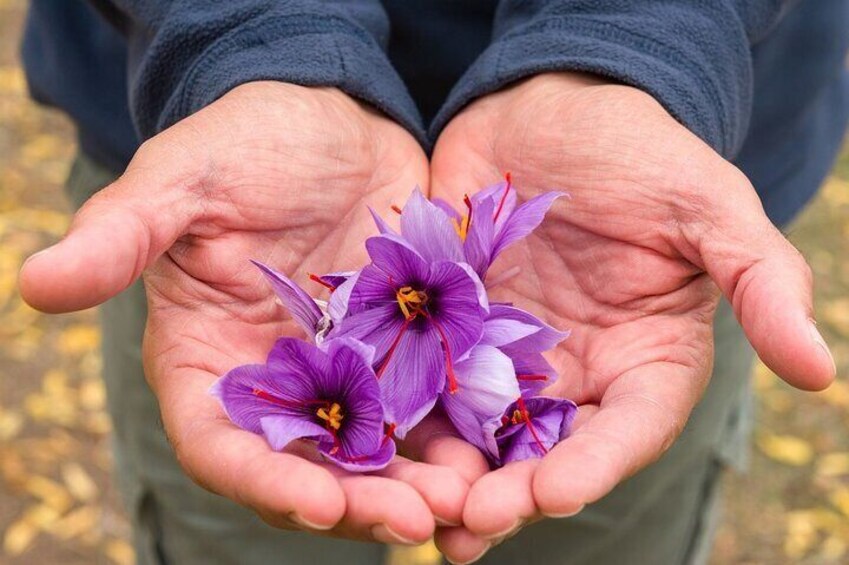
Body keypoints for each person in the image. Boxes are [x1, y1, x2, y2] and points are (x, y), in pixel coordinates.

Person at [17, 1, 847, 564]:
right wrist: (253, 44)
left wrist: (626, 56)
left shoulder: (480, 297)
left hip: (642, 220)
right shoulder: (382, 306)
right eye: (406, 300)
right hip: (214, 187)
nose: (410, 304)